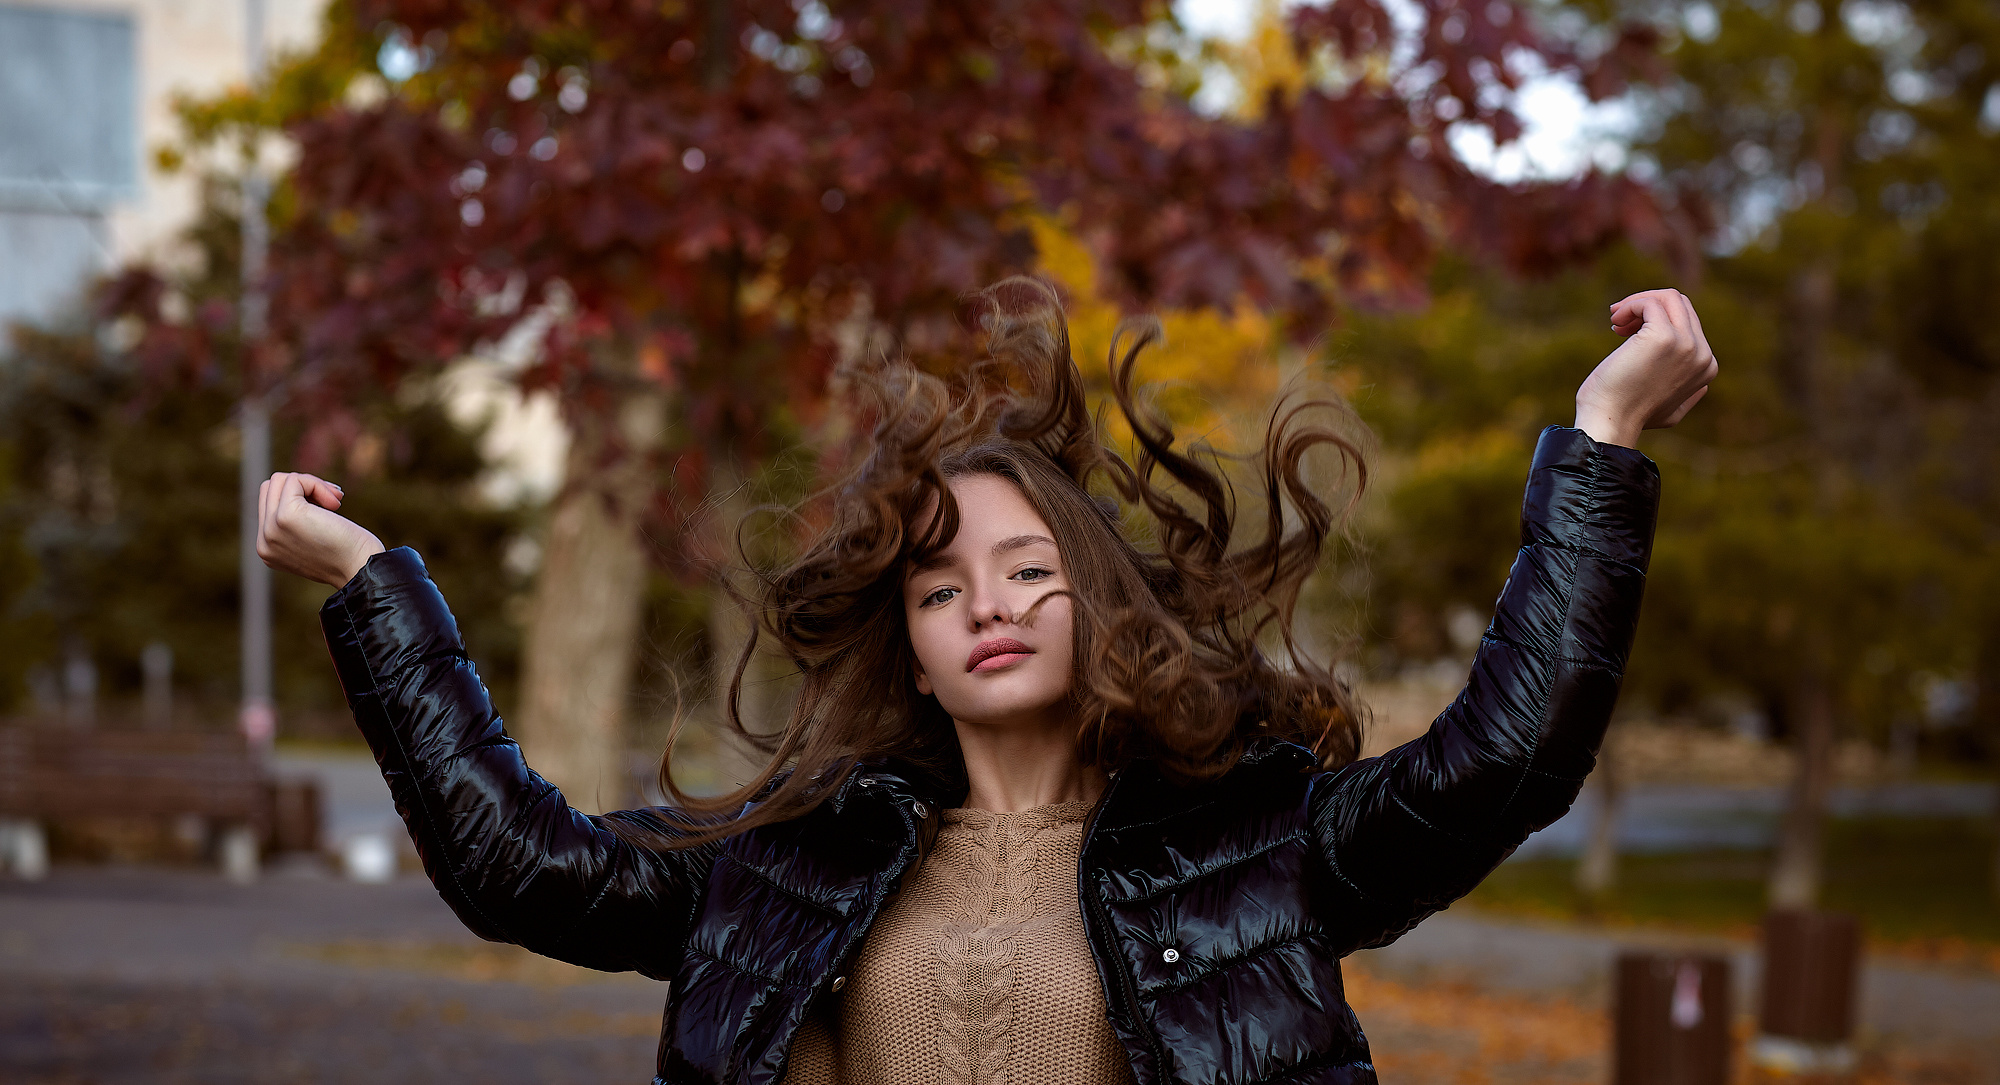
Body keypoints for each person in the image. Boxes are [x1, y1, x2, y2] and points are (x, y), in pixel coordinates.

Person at [258, 280, 1716, 1085]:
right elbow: (516, 862)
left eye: (1027, 567)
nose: (988, 603)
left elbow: (1507, 754)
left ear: (1099, 600)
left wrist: (1601, 439)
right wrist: (370, 588)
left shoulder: (1255, 847)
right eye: (941, 586)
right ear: (913, 648)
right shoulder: (786, 864)